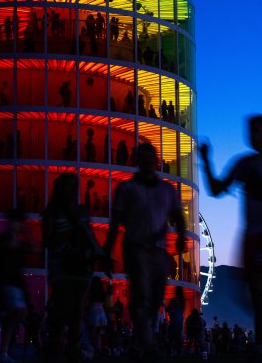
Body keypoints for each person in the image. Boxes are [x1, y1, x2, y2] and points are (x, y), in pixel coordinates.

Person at [199, 114, 262, 362]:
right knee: (245, 293)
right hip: (250, 234)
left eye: (257, 130)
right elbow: (217, 189)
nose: (252, 135)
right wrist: (206, 161)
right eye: (250, 130)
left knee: (258, 288)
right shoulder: (244, 163)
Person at [103, 142, 186, 361]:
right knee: (141, 296)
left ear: (156, 161)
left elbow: (178, 216)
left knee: (155, 298)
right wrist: (107, 251)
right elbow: (115, 223)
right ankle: (149, 346)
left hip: (158, 250)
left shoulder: (168, 190)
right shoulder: (126, 189)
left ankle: (136, 345)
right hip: (135, 246)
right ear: (137, 161)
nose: (149, 162)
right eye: (144, 158)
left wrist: (181, 237)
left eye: (152, 158)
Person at [42, 173, 103, 363]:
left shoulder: (77, 211)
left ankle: (69, 349)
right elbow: (48, 240)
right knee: (66, 309)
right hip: (66, 266)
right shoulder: (54, 212)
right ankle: (61, 347)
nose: (71, 190)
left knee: (76, 310)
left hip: (78, 266)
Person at [0, 209, 38, 363]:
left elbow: (35, 249)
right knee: (19, 312)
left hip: (14, 283)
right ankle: (4, 351)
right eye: (16, 222)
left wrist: (28, 233)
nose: (18, 225)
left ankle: (4, 351)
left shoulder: (16, 240)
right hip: (7, 282)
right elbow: (1, 252)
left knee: (17, 315)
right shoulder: (5, 239)